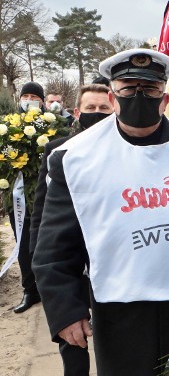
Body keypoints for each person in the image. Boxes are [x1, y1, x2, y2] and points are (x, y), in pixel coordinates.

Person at [33, 49, 169, 376]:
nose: (139, 96)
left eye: (149, 90)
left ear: (164, 99)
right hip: (121, 308)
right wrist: (66, 310)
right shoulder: (77, 157)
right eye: (128, 88)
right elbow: (53, 245)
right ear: (113, 96)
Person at [30, 84, 113, 376]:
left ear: (114, 108)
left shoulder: (123, 152)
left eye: (104, 108)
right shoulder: (59, 151)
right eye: (90, 108)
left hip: (105, 259)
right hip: (70, 255)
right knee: (72, 332)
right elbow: (42, 208)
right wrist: (37, 252)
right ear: (77, 112)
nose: (97, 113)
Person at [10, 81, 46, 314]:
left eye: (35, 96)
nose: (30, 100)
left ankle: (52, 290)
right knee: (24, 246)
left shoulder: (55, 127)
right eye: (26, 96)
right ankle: (30, 290)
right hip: (19, 199)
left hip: (46, 197)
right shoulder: (8, 128)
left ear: (42, 102)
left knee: (50, 245)